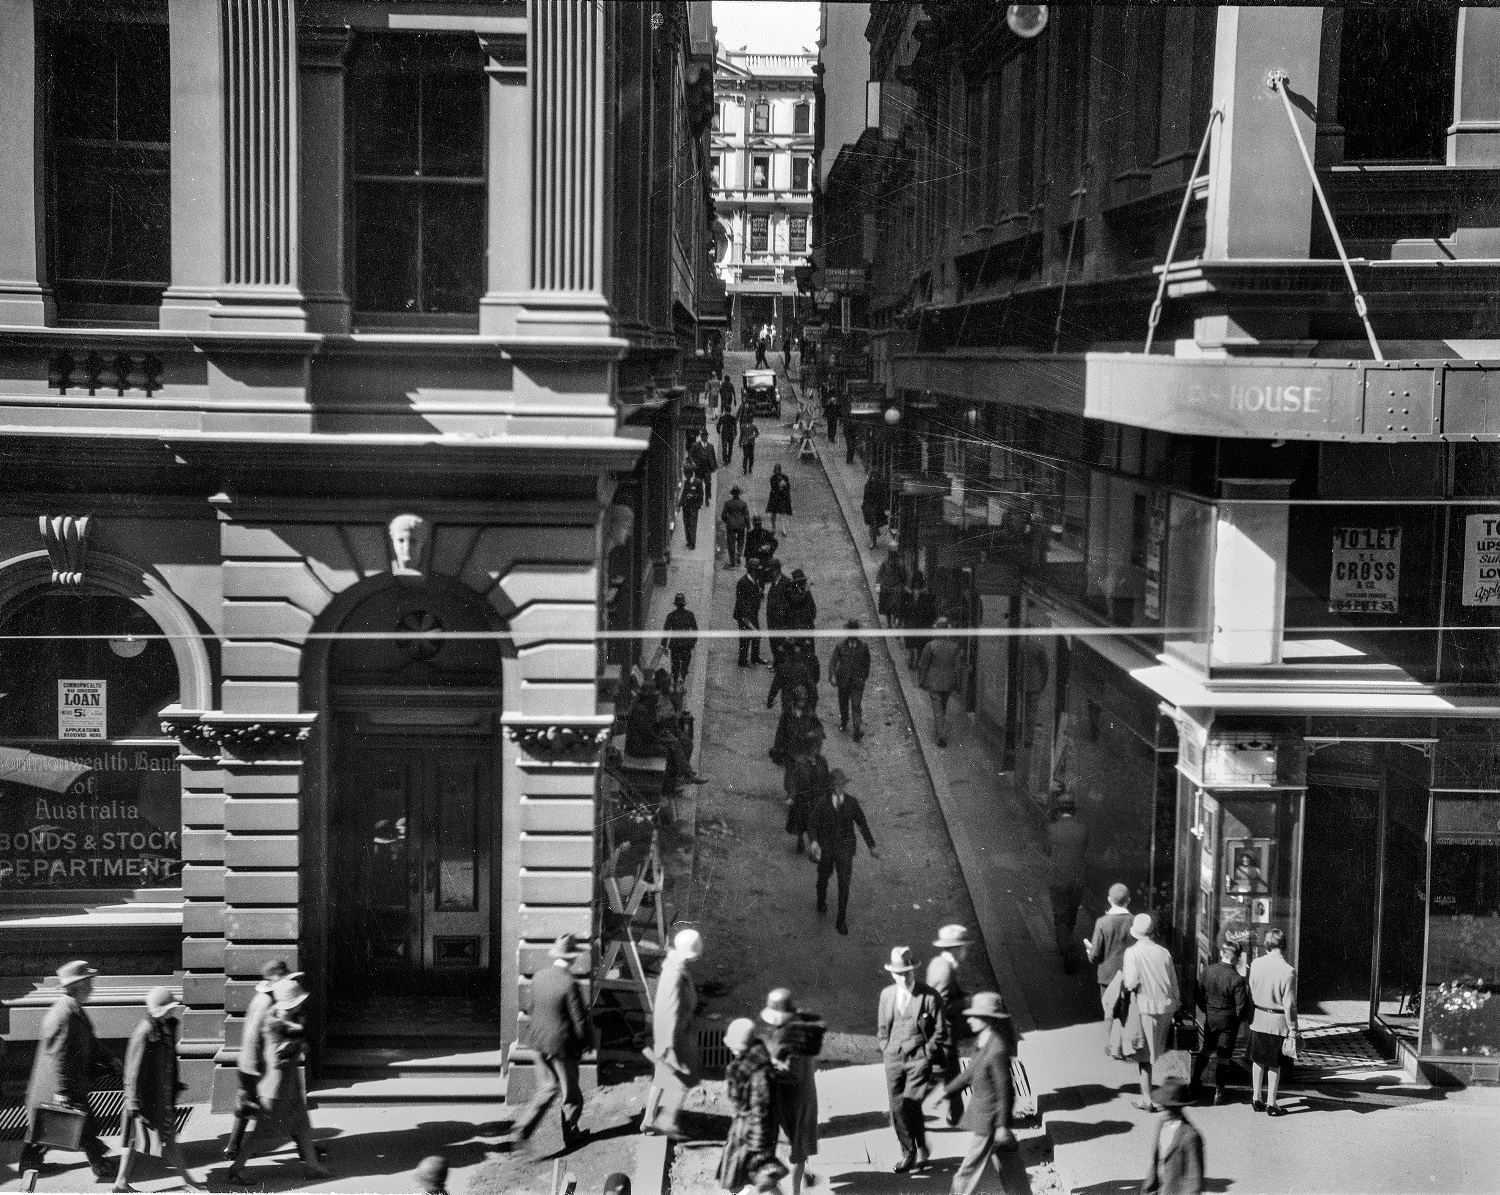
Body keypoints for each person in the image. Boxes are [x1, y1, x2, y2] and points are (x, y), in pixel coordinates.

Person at [225, 977, 331, 1183]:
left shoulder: (288, 1019)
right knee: (261, 1132)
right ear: (290, 1003)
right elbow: (280, 1056)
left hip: (288, 1086)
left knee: (301, 1125)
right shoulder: (275, 1024)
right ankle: (236, 1169)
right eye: (298, 1000)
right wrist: (298, 1046)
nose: (302, 1003)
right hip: (275, 1090)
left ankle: (312, 1166)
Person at [22, 960, 120, 1182]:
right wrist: (62, 1093)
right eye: (89, 983)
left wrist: (109, 1058)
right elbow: (59, 1058)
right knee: (76, 1123)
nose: (92, 988)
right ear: (78, 986)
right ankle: (99, 1164)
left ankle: (29, 1162)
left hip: (62, 1084)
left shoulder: (72, 1010)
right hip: (62, 1085)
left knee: (44, 1127)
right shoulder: (65, 1015)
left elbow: (91, 1042)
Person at [115, 986, 201, 1192]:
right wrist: (133, 1102)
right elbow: (133, 1072)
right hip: (145, 1100)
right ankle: (189, 1182)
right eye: (169, 1009)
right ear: (158, 1011)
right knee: (147, 1141)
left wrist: (175, 1083)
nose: (173, 1012)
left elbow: (169, 1061)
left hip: (158, 1097)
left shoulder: (165, 1028)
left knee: (147, 1141)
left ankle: (120, 1183)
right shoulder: (144, 1032)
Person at [516, 933, 589, 1151]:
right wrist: (584, 1044)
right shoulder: (570, 983)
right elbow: (579, 1021)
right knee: (571, 1095)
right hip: (562, 1046)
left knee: (547, 1087)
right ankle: (571, 1135)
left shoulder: (539, 976)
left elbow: (531, 1008)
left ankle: (523, 1127)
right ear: (573, 958)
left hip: (538, 1041)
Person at [876, 946, 945, 1174]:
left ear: (914, 971)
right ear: (892, 974)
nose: (903, 977)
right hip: (893, 1059)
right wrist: (885, 1047)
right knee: (897, 1108)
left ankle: (921, 1147)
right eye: (898, 973)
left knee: (911, 1104)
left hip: (918, 1059)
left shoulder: (929, 997)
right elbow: (882, 1027)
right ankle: (910, 1152)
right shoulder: (887, 995)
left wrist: (926, 1054)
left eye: (907, 973)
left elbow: (940, 1032)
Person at [942, 992, 1016, 1195]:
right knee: (1009, 1164)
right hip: (987, 1116)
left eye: (975, 1016)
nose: (969, 1019)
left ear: (988, 1020)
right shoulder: (984, 1041)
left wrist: (1002, 1126)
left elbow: (1006, 1090)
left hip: (990, 1120)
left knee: (966, 1173)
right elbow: (970, 1072)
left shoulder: (997, 1049)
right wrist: (947, 1091)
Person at [757, 990, 822, 1195]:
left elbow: (794, 1075)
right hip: (796, 1097)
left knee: (798, 1150)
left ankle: (795, 1192)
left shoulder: (795, 1040)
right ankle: (801, 1178)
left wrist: (769, 1069)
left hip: (796, 1101)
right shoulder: (798, 1028)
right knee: (796, 1145)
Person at [224, 959, 290, 1160]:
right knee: (276, 1104)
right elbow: (253, 1036)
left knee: (250, 1105)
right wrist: (254, 1069)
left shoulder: (265, 999)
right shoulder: (266, 1003)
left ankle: (233, 1148)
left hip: (253, 1064)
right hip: (256, 1065)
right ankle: (234, 1150)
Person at [717, 1018, 787, 1195]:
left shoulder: (757, 1073)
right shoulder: (753, 1062)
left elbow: (760, 1110)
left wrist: (759, 1147)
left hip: (752, 1134)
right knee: (745, 1175)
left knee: (759, 1177)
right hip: (744, 1131)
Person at [646, 929, 704, 1138]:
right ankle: (665, 1122)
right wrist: (668, 1044)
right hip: (675, 1036)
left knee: (661, 1076)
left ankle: (648, 1118)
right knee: (684, 1078)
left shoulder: (672, 965)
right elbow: (670, 1008)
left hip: (668, 1033)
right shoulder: (675, 974)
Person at [1120, 913, 1181, 1113]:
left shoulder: (1132, 953)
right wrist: (1177, 1004)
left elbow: (1130, 983)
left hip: (1146, 1007)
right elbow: (1173, 981)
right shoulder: (1164, 952)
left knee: (1144, 1056)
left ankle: (1147, 1099)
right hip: (1167, 1006)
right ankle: (1156, 1094)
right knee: (1157, 1051)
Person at [807, 769, 878, 935]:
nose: (840, 788)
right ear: (831, 787)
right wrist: (814, 842)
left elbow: (862, 824)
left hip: (845, 850)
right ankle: (821, 900)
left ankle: (841, 920)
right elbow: (811, 823)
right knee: (823, 876)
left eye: (843, 784)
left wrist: (871, 846)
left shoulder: (852, 803)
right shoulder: (822, 802)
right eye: (837, 785)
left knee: (844, 884)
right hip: (826, 848)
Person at [1190, 941, 1252, 1106]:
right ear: (1237, 958)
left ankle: (1194, 1081)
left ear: (1222, 954)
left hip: (1211, 1016)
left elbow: (1197, 993)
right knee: (1224, 1057)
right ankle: (1219, 1093)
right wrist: (1238, 1019)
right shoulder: (1237, 979)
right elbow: (1240, 1007)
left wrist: (1206, 1009)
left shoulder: (1208, 970)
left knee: (1207, 1049)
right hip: (1228, 1021)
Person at [926, 925, 974, 1129]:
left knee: (949, 1075)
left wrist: (963, 996)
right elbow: (943, 1005)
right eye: (964, 947)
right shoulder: (945, 971)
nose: (966, 951)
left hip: (941, 1035)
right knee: (943, 1076)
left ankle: (956, 1116)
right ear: (955, 948)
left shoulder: (938, 963)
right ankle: (905, 1111)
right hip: (944, 1034)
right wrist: (967, 1003)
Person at [1247, 927, 1298, 1116]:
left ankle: (1256, 1097)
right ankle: (1271, 1102)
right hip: (1277, 1022)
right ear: (1283, 945)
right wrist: (1293, 1029)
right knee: (1274, 1063)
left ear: (1267, 944)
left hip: (1259, 1018)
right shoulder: (1289, 971)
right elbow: (1289, 1004)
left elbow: (1252, 988)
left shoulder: (1256, 964)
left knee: (1258, 1061)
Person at [1046, 792, 1090, 973]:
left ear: (1058, 811)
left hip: (1058, 879)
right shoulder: (1083, 830)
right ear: (1074, 811)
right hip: (1077, 880)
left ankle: (1066, 948)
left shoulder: (1052, 829)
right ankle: (1067, 940)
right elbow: (1083, 849)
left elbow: (1047, 850)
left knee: (1060, 917)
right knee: (1071, 915)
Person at [1139, 1080, 1204, 1195]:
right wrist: (1149, 1186)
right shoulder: (1162, 1124)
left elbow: (1195, 1178)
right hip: (1159, 1188)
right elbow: (1157, 1160)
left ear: (1177, 1108)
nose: (1161, 1109)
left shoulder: (1190, 1136)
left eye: (1166, 1106)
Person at [1086, 883, 1135, 1014]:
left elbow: (1095, 954)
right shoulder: (1134, 921)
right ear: (1128, 900)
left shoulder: (1102, 922)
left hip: (1107, 977)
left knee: (1109, 1012)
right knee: (1127, 1013)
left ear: (1109, 899)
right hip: (1129, 977)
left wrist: (1089, 952)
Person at [917, 616, 962, 746]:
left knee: (937, 709)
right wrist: (957, 683)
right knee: (943, 706)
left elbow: (923, 665)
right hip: (948, 682)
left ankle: (941, 735)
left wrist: (921, 681)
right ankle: (940, 728)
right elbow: (957, 667)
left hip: (934, 681)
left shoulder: (930, 646)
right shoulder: (954, 647)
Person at [782, 735, 829, 854]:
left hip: (817, 797)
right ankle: (800, 839)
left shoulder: (822, 761)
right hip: (803, 798)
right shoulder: (799, 762)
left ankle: (815, 845)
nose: (817, 749)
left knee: (816, 823)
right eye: (814, 747)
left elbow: (826, 778)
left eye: (818, 746)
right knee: (801, 822)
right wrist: (791, 795)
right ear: (808, 747)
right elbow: (793, 779)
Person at [829, 620, 871, 740]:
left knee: (856, 705)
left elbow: (867, 663)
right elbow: (833, 661)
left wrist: (863, 677)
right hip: (843, 681)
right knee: (843, 703)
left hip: (857, 681)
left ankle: (857, 729)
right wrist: (832, 675)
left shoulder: (863, 646)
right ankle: (844, 721)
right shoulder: (840, 646)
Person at [900, 571, 936, 669]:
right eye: (915, 581)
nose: (916, 584)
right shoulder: (907, 594)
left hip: (921, 623)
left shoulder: (926, 594)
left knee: (920, 644)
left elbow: (930, 609)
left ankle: (918, 661)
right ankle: (912, 660)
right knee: (911, 643)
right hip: (911, 622)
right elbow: (903, 608)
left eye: (918, 582)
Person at [663, 593, 698, 688]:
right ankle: (683, 677)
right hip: (686, 644)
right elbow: (695, 630)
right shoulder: (690, 615)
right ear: (684, 604)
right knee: (686, 661)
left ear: (675, 604)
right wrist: (693, 642)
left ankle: (675, 681)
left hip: (675, 644)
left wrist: (664, 645)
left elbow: (666, 631)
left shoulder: (671, 616)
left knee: (675, 664)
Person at [735, 560, 766, 667]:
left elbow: (757, 596)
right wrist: (745, 619)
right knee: (745, 639)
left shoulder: (756, 580)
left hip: (753, 613)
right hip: (745, 616)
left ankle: (755, 657)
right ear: (752, 570)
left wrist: (760, 593)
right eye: (757, 570)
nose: (759, 572)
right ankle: (742, 661)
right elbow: (741, 603)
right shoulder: (742, 582)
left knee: (757, 636)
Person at [763, 561, 793, 668]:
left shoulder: (787, 583)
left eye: (771, 571)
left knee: (781, 642)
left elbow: (790, 604)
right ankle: (776, 663)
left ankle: (781, 666)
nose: (769, 574)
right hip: (772, 619)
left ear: (777, 570)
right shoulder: (774, 583)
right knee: (773, 642)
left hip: (781, 621)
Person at [875, 549, 907, 630]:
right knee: (887, 609)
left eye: (894, 557)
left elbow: (903, 577)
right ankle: (889, 624)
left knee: (896, 606)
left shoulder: (900, 565)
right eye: (891, 556)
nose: (892, 559)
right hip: (886, 588)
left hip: (896, 588)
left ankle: (894, 621)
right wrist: (878, 584)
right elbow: (880, 574)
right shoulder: (885, 563)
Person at [783, 569, 816, 647]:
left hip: (807, 628)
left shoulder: (805, 592)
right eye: (801, 581)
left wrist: (809, 620)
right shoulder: (790, 592)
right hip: (797, 628)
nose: (804, 583)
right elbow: (797, 600)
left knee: (810, 652)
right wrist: (807, 591)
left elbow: (813, 608)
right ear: (796, 582)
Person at [722, 486, 751, 569]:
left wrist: (727, 521)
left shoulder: (728, 503)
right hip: (741, 525)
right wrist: (748, 525)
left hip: (731, 525)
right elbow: (746, 516)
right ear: (739, 494)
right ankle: (738, 555)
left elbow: (723, 515)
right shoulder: (743, 503)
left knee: (731, 543)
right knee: (741, 541)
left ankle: (732, 561)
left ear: (732, 494)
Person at [678, 468, 705, 550]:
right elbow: (683, 493)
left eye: (687, 475)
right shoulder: (686, 482)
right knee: (686, 524)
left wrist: (693, 496)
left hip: (693, 507)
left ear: (691, 474)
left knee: (692, 524)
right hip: (686, 506)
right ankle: (688, 541)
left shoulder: (698, 482)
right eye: (685, 475)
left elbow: (701, 495)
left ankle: (693, 544)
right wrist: (679, 504)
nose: (686, 477)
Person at [861, 474, 888, 549]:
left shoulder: (875, 487)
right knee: (872, 524)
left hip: (875, 508)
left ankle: (873, 541)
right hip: (870, 507)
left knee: (873, 524)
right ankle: (873, 541)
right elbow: (865, 496)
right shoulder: (868, 486)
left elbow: (882, 498)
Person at [690, 431, 719, 501]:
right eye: (704, 436)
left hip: (707, 468)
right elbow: (691, 456)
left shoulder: (710, 446)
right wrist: (693, 463)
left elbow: (713, 456)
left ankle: (707, 497)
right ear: (701, 437)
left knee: (708, 483)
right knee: (698, 484)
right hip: (698, 469)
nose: (705, 438)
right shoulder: (695, 446)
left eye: (706, 436)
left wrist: (715, 466)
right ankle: (700, 498)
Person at [766, 463, 792, 535]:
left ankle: (783, 529)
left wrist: (785, 485)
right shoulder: (772, 478)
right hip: (774, 497)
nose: (777, 471)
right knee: (773, 513)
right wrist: (779, 485)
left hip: (782, 497)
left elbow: (788, 487)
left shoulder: (785, 477)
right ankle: (773, 527)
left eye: (778, 470)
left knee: (783, 513)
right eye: (776, 470)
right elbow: (773, 487)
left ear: (780, 470)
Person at [718, 404, 739, 469]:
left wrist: (718, 431)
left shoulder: (722, 417)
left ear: (725, 411)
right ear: (730, 411)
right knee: (730, 447)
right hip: (730, 433)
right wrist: (735, 433)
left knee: (724, 447)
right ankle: (729, 458)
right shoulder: (733, 418)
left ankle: (725, 460)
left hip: (724, 433)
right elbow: (735, 426)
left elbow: (718, 425)